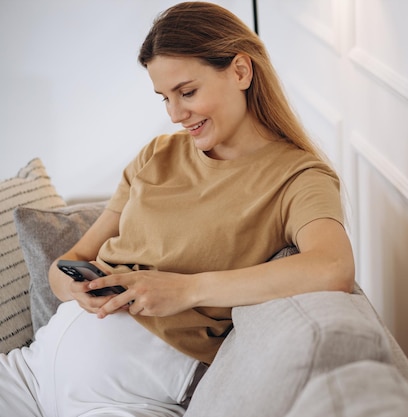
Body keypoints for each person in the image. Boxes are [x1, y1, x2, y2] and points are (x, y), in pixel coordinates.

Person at [0, 2, 354, 416]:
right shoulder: (158, 154)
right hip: (31, 370)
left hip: (127, 398)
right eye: (164, 98)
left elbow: (333, 267)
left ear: (241, 71)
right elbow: (71, 260)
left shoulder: (297, 176)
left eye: (187, 92)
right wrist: (72, 286)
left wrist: (187, 289)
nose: (174, 114)